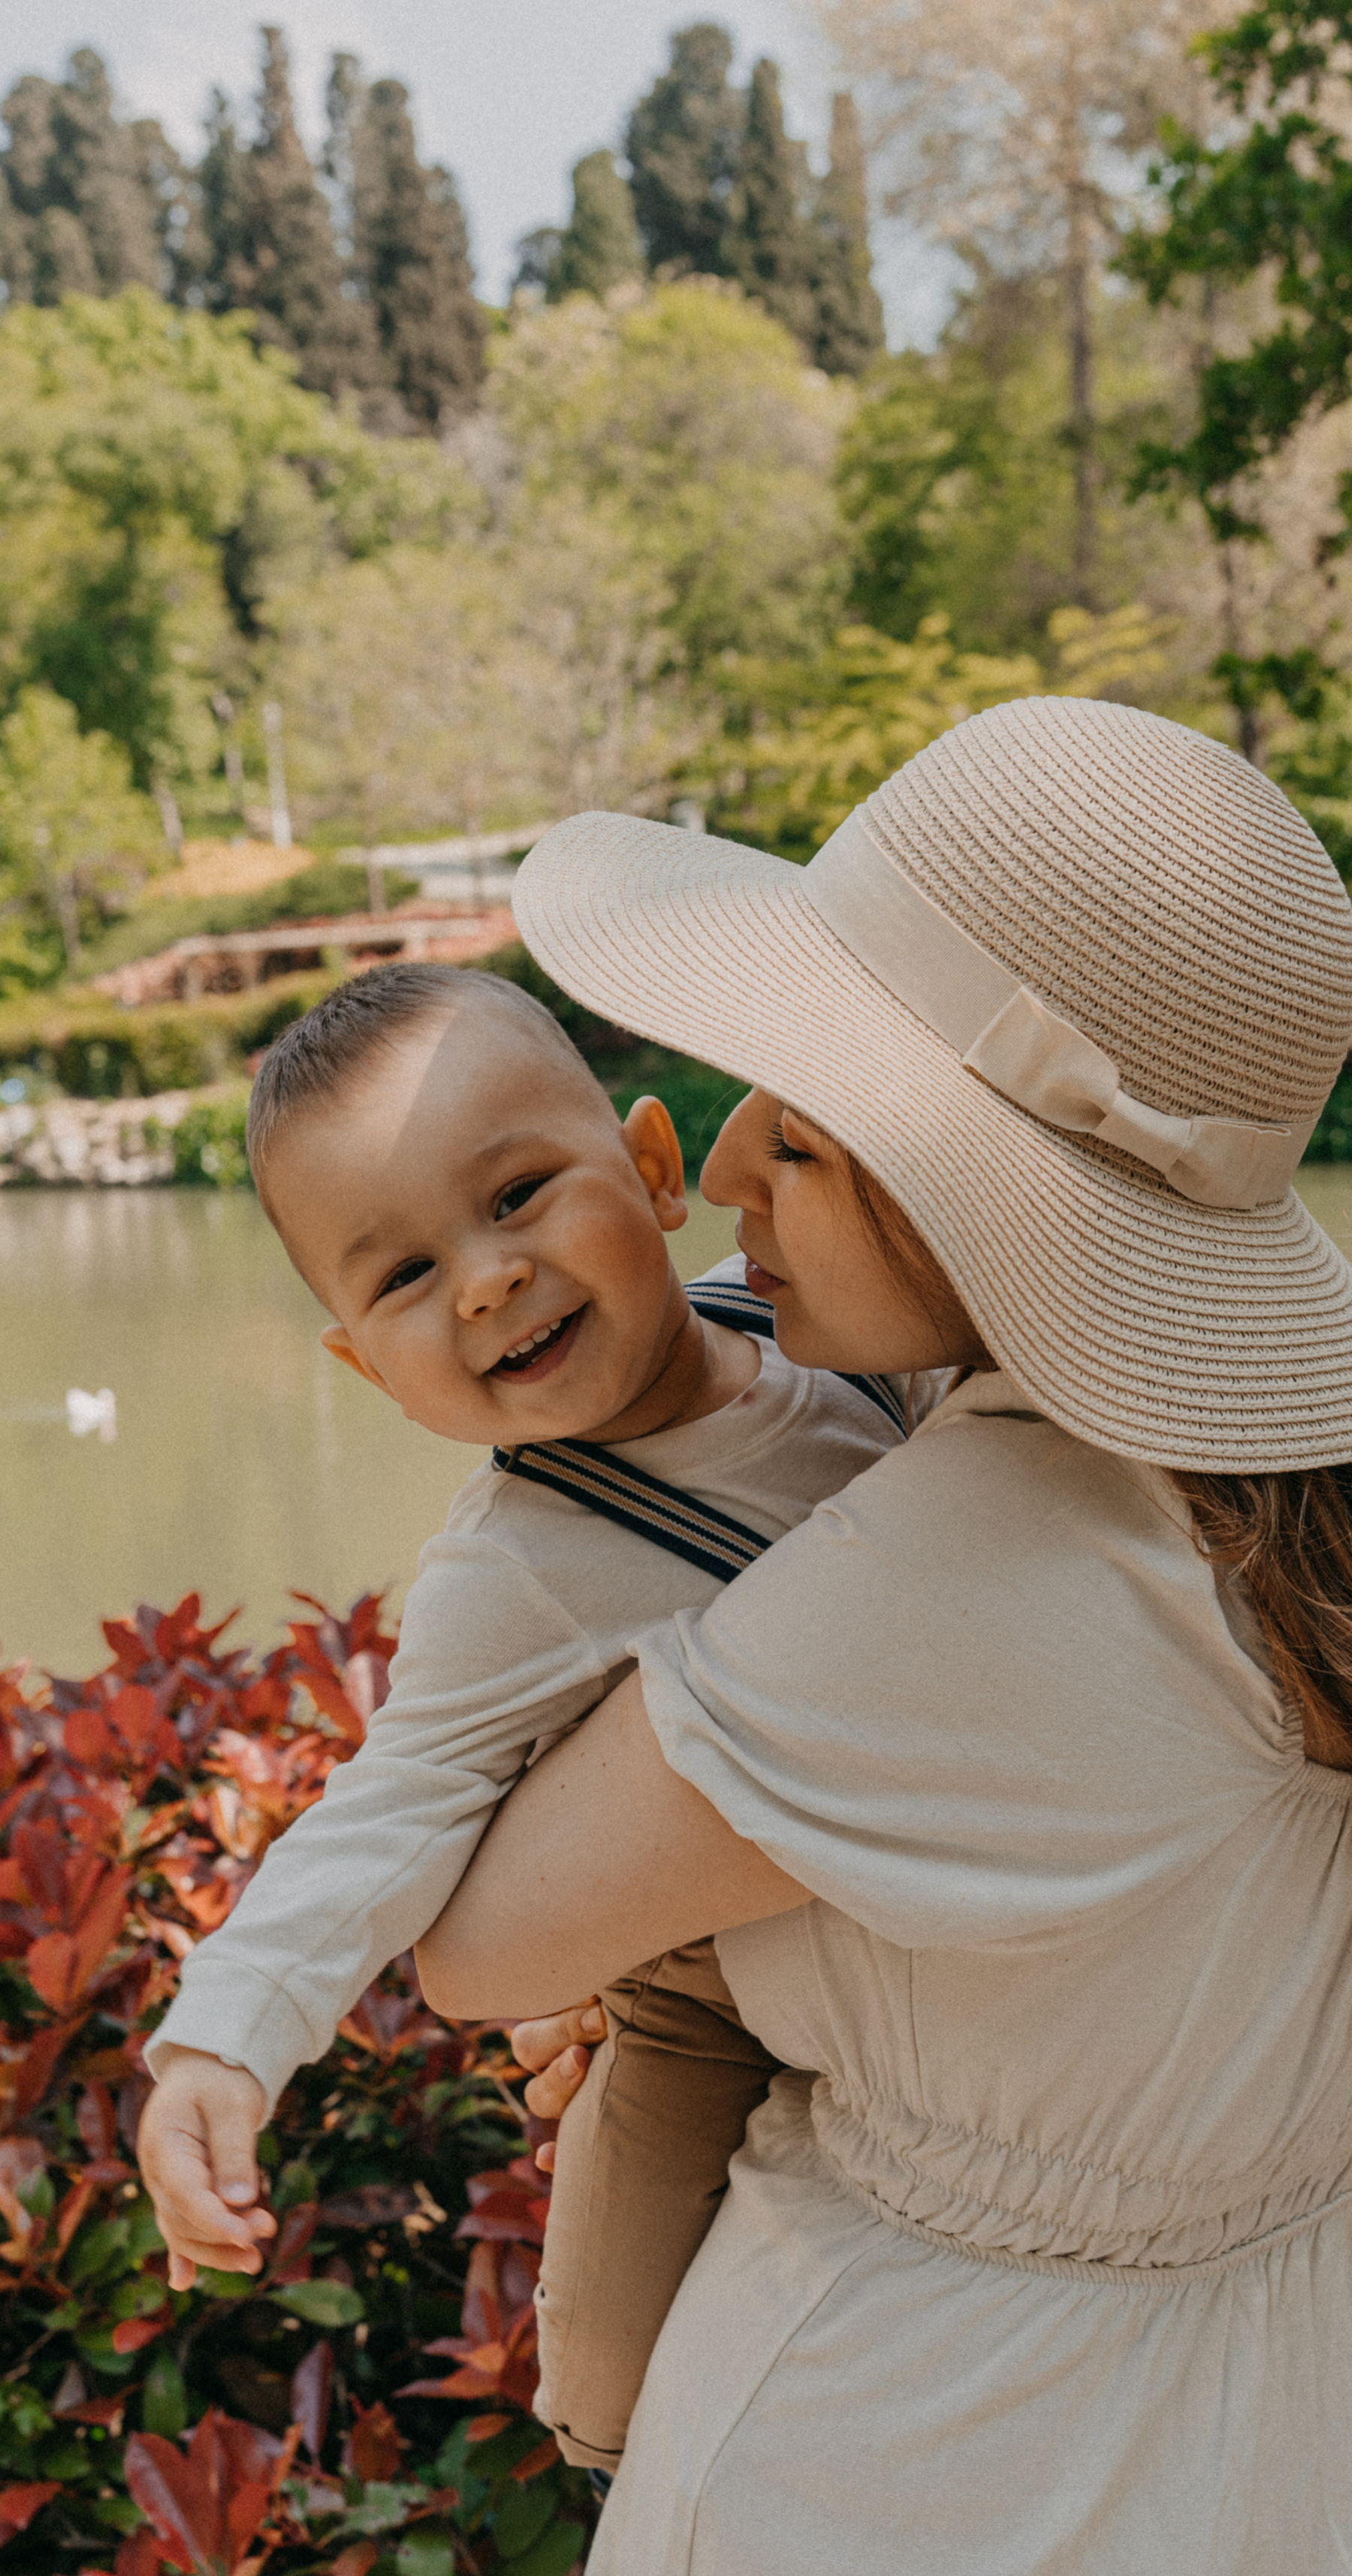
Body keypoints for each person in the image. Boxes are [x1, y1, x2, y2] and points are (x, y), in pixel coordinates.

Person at [414, 696, 1352, 2576]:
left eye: (819, 1114)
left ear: (994, 1197)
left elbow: (483, 1938)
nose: (735, 1155)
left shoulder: (962, 1571)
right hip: (1242, 2443)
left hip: (913, 2475)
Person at [136, 961, 938, 2471]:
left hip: (925, 1914)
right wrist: (222, 2046)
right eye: (401, 1279)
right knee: (613, 2355)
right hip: (704, 1982)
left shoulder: (822, 1327)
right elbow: (396, 1794)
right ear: (364, 1369)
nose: (485, 1280)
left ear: (648, 1169)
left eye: (515, 1196)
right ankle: (620, 2475)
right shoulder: (519, 1561)